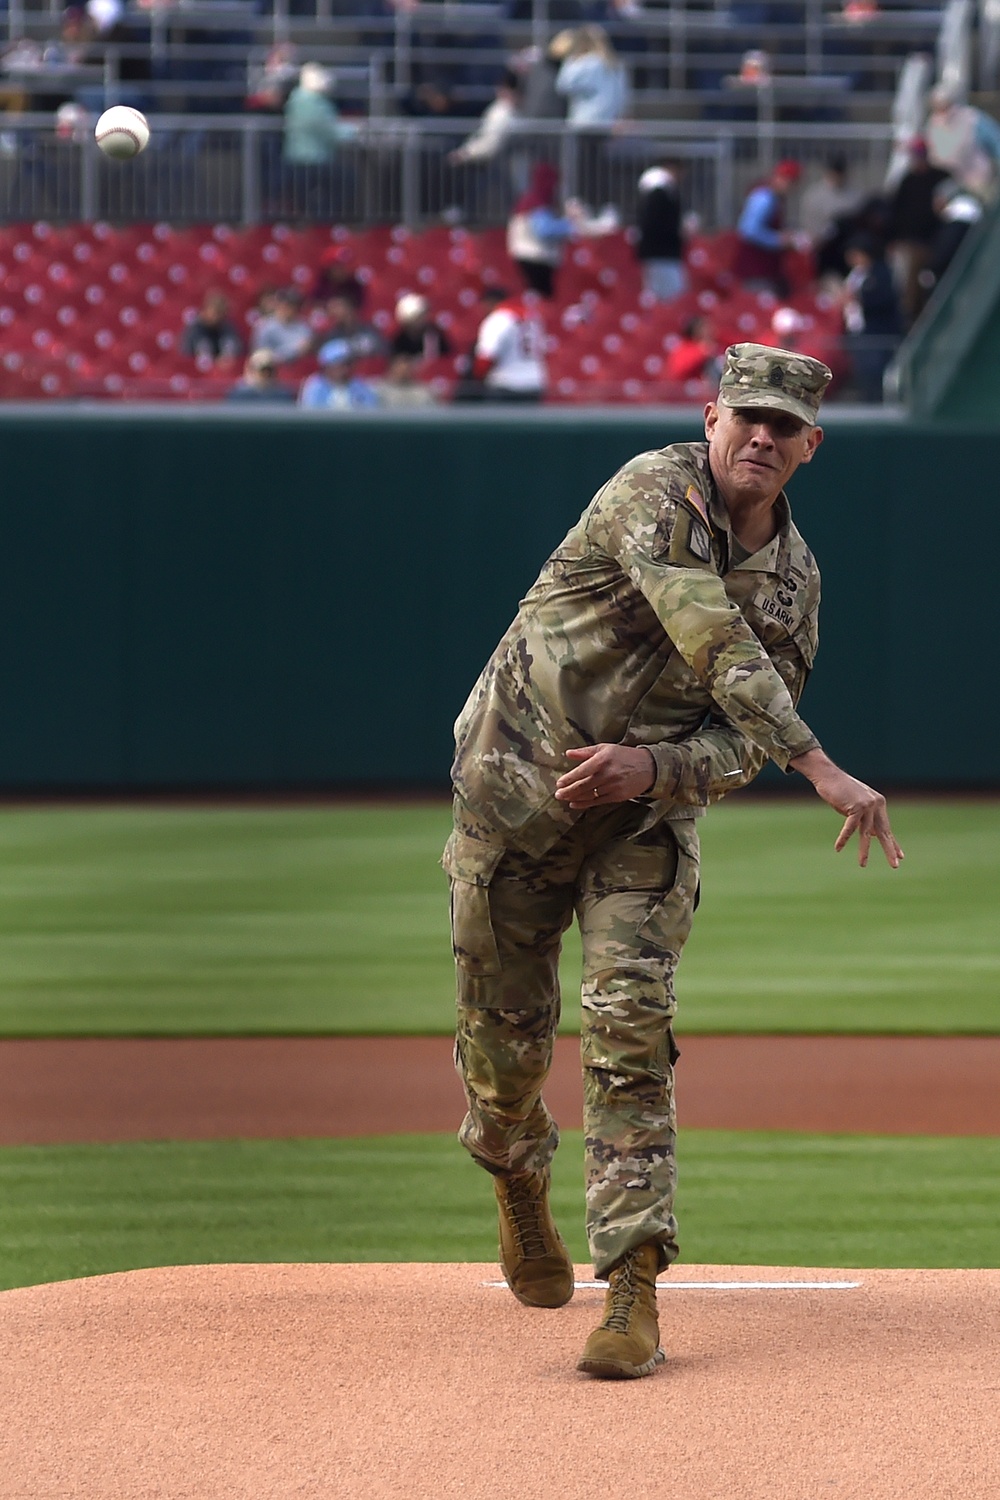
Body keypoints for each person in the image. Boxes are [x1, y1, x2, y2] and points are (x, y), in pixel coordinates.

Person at [444, 343, 902, 1381]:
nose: (761, 435)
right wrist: (818, 763)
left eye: (784, 426)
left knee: (628, 1029)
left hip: (640, 820)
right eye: (746, 415)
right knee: (504, 1045)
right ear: (709, 417)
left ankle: (632, 1288)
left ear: (809, 448)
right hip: (514, 795)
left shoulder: (794, 585)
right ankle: (514, 1172)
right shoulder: (653, 492)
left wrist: (651, 765)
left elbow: (734, 741)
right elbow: (707, 636)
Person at [885, 138, 949, 325]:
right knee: (910, 286)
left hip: (936, 241)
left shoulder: (940, 177)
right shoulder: (907, 181)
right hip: (911, 242)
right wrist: (893, 238)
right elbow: (896, 212)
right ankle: (911, 320)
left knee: (932, 281)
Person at [506, 162, 581, 299]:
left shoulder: (533, 200)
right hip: (535, 259)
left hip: (532, 257)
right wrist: (571, 224)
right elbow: (544, 230)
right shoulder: (535, 201)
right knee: (541, 299)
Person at [841, 234, 902, 402]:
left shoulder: (881, 273)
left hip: (877, 332)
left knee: (875, 370)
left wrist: (860, 297)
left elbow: (885, 299)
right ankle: (866, 397)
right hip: (858, 330)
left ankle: (877, 401)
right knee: (863, 371)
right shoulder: (855, 275)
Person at [734, 159, 802, 295]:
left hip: (768, 270)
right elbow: (748, 230)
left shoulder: (775, 198)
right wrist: (778, 240)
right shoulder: (764, 198)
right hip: (756, 270)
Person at [925, 83, 1000, 204]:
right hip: (945, 185)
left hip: (976, 183)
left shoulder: (972, 119)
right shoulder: (933, 124)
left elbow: (996, 142)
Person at [472, 285, 547, 402]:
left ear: (491, 302)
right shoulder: (532, 318)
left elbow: (485, 358)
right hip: (534, 384)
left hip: (506, 385)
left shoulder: (498, 318)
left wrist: (477, 378)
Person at [799, 155, 862, 280]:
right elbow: (809, 222)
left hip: (847, 248)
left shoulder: (853, 195)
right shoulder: (814, 194)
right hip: (824, 248)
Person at [635, 161, 687, 303]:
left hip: (656, 253)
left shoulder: (658, 193)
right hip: (662, 253)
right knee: (670, 295)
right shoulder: (659, 193)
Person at [298, 339, 381, 409]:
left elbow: (371, 408)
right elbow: (311, 416)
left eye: (349, 363)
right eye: (341, 364)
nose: (346, 369)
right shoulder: (315, 385)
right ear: (327, 366)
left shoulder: (358, 383)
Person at [250, 288, 313, 365]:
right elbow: (261, 356)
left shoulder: (303, 326)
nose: (288, 309)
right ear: (278, 305)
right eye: (285, 305)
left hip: (298, 369)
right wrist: (294, 351)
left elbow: (306, 350)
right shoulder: (265, 326)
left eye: (292, 306)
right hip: (272, 370)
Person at [318, 293, 387, 362]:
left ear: (349, 307)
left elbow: (384, 352)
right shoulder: (332, 336)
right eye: (330, 308)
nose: (332, 312)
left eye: (336, 307)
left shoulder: (369, 330)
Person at [180, 291, 244, 366]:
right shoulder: (194, 330)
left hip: (224, 373)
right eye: (215, 312)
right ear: (206, 310)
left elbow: (238, 349)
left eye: (221, 312)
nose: (217, 317)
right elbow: (185, 355)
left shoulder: (228, 328)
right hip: (199, 373)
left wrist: (226, 358)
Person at [390, 294, 453, 362]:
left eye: (423, 315)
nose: (421, 320)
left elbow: (446, 358)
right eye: (417, 317)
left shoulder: (434, 334)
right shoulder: (399, 340)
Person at [225, 349, 296, 404]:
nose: (266, 375)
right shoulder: (240, 395)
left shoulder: (283, 396)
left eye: (270, 371)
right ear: (251, 371)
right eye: (262, 372)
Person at [373, 353, 439, 408]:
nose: (403, 373)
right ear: (392, 369)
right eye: (400, 369)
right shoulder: (380, 392)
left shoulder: (422, 393)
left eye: (406, 369)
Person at [664, 315, 715, 381]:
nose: (709, 331)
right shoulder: (684, 348)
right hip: (687, 387)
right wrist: (701, 353)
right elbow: (678, 371)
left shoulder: (716, 344)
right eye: (704, 328)